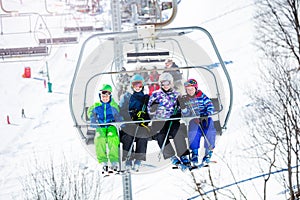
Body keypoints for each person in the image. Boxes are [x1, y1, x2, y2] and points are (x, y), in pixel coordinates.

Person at [147, 72, 190, 167]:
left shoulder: (176, 94)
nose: (165, 86)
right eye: (163, 83)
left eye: (168, 83)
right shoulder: (155, 95)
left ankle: (183, 156)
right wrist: (153, 109)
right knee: (160, 134)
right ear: (160, 84)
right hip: (159, 121)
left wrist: (182, 107)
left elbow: (185, 113)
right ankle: (171, 156)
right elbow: (149, 112)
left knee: (178, 131)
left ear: (171, 83)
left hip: (172, 120)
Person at [179, 78, 216, 165]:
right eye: (188, 90)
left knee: (210, 130)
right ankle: (194, 153)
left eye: (192, 89)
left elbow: (210, 106)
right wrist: (184, 108)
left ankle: (208, 152)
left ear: (195, 88)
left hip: (205, 118)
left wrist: (207, 113)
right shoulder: (186, 99)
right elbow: (186, 114)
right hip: (194, 119)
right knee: (193, 131)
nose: (190, 91)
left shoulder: (202, 96)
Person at [87, 84, 122, 171]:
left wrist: (120, 122)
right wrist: (93, 119)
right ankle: (103, 161)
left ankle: (114, 160)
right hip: (101, 126)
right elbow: (90, 112)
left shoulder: (113, 105)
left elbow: (117, 115)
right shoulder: (97, 105)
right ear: (100, 96)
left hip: (111, 125)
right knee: (99, 138)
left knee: (112, 137)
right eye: (103, 96)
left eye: (107, 96)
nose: (105, 98)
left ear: (110, 96)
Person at [119, 74, 151, 171]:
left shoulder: (146, 98)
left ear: (143, 86)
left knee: (143, 135)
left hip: (140, 124)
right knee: (127, 136)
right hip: (129, 123)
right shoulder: (126, 97)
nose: (137, 87)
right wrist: (130, 115)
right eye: (135, 85)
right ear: (131, 86)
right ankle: (128, 158)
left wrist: (144, 117)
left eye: (140, 85)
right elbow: (121, 110)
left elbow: (150, 111)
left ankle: (138, 159)